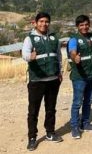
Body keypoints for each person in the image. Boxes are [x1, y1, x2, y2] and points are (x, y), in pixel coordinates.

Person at [22, 12, 63, 151]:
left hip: (53, 79)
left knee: (51, 109)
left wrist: (60, 72)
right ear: (35, 22)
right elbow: (24, 54)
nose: (44, 24)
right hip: (36, 81)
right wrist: (30, 56)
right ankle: (32, 137)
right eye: (41, 21)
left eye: (46, 21)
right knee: (33, 111)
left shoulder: (54, 38)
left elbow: (58, 56)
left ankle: (50, 133)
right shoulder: (30, 38)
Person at [67, 15, 92, 139]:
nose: (84, 27)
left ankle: (85, 123)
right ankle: (75, 127)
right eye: (81, 25)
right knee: (77, 103)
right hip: (79, 77)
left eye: (86, 24)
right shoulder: (74, 39)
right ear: (77, 26)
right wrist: (74, 57)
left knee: (89, 101)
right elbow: (72, 51)